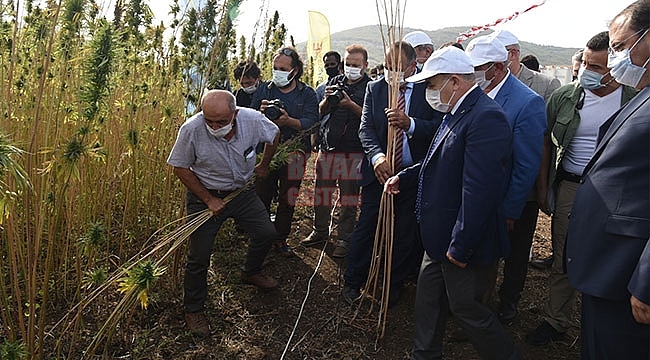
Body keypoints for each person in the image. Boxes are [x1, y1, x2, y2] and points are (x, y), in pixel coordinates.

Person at [385, 46, 522, 360]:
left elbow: (480, 191)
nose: (431, 92)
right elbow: (440, 161)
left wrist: (459, 247)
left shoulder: (486, 118)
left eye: (433, 85)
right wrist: (405, 177)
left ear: (456, 82)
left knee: (467, 310)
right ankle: (425, 354)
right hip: (439, 236)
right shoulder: (456, 112)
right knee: (428, 300)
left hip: (458, 242)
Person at [527, 31, 638, 346]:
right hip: (572, 189)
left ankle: (607, 322)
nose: (587, 72)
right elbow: (546, 141)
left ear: (615, 67)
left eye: (597, 67)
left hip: (618, 196)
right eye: (585, 64)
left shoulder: (635, 99)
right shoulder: (566, 96)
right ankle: (555, 318)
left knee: (613, 256)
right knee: (564, 255)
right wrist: (543, 187)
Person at [566, 1, 650, 358]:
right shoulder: (644, 94)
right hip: (608, 269)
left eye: (619, 47)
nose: (616, 58)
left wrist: (647, 283)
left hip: (628, 275)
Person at [167, 90, 281, 337]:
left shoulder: (252, 119)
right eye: (209, 120)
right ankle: (194, 309)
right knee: (199, 255)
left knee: (266, 232)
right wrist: (208, 199)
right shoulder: (191, 129)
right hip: (205, 194)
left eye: (221, 121)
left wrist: (264, 164)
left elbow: (274, 135)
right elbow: (180, 167)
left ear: (235, 113)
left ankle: (251, 271)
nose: (214, 127)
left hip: (241, 191)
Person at [342, 41, 442, 306]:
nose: (390, 72)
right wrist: (377, 157)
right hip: (380, 175)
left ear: (412, 66)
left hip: (412, 175)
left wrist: (411, 125)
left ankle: (392, 283)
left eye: (396, 67)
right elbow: (366, 130)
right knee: (367, 226)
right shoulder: (376, 89)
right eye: (387, 66)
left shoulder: (428, 89)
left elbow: (440, 129)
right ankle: (353, 280)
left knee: (404, 231)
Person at [466, 35, 547, 323]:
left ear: (497, 68)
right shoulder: (477, 92)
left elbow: (526, 164)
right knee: (484, 254)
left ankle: (509, 302)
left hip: (515, 199)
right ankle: (478, 307)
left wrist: (511, 210)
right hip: (481, 194)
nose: (471, 74)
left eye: (477, 68)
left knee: (514, 255)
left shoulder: (528, 103)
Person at [301, 44, 371, 258]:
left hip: (353, 151)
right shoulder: (334, 82)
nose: (350, 68)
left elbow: (371, 120)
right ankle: (320, 230)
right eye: (348, 64)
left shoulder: (372, 88)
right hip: (329, 148)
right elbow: (320, 112)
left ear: (365, 65)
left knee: (349, 199)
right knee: (322, 194)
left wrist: (350, 105)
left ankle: (344, 238)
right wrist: (327, 100)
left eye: (355, 65)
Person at [251, 47, 319, 256]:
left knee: (287, 199)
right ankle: (259, 238)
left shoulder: (307, 94)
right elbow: (249, 116)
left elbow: (313, 123)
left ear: (295, 71)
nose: (278, 72)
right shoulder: (264, 89)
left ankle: (280, 238)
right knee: (261, 196)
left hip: (295, 153)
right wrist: (260, 113)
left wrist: (289, 121)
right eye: (275, 68)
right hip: (266, 153)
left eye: (283, 68)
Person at [492, 29, 561, 102]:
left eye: (493, 54)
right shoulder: (485, 83)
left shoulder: (547, 84)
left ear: (512, 54)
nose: (488, 60)